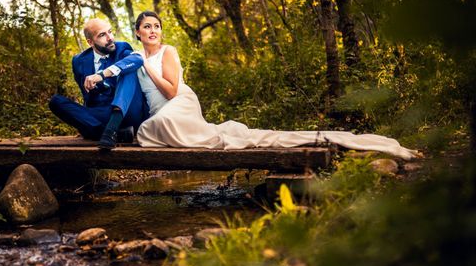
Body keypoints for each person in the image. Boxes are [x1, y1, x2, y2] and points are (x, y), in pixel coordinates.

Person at [132, 11, 420, 160]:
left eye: (156, 26)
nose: (153, 31)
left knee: (159, 126)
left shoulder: (167, 52)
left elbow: (170, 90)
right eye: (147, 27)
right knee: (150, 126)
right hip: (165, 110)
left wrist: (146, 66)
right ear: (137, 32)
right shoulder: (134, 58)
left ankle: (364, 144)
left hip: (180, 103)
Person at [49, 18, 149, 150]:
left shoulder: (121, 49)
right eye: (102, 35)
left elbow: (137, 59)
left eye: (110, 32)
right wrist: (84, 117)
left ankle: (108, 130)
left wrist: (102, 75)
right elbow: (86, 94)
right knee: (56, 101)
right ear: (90, 42)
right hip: (102, 113)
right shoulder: (79, 61)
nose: (110, 38)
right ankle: (116, 134)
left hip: (128, 111)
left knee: (128, 71)